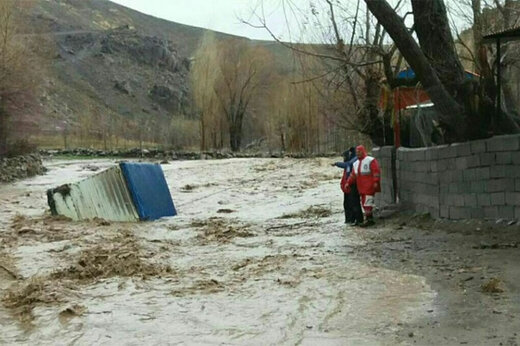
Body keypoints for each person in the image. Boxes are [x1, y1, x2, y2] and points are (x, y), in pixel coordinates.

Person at [345, 145, 381, 227]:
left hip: (369, 186)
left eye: (359, 152)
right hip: (361, 187)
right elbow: (353, 176)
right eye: (357, 152)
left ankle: (369, 219)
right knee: (364, 203)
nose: (358, 154)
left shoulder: (370, 160)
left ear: (363, 151)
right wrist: (348, 183)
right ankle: (369, 218)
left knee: (368, 202)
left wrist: (376, 182)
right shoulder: (356, 163)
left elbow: (376, 171)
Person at [332, 147, 363, 225]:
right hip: (349, 185)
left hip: (352, 185)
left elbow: (348, 167)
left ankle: (356, 219)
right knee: (349, 204)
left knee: (353, 203)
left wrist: (336, 164)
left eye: (344, 157)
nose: (344, 158)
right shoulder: (352, 161)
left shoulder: (353, 161)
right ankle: (351, 220)